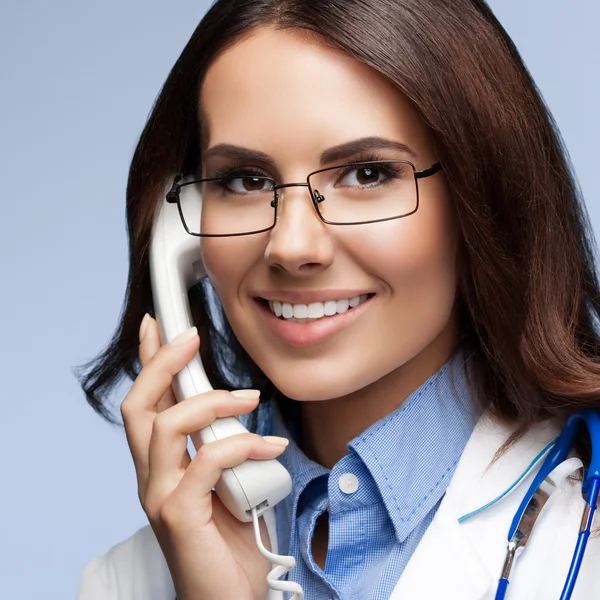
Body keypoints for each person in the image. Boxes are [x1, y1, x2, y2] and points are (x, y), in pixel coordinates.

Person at [75, 0, 600, 598]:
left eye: (367, 174)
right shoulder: (123, 583)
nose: (292, 246)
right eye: (245, 181)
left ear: (479, 198)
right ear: (187, 230)